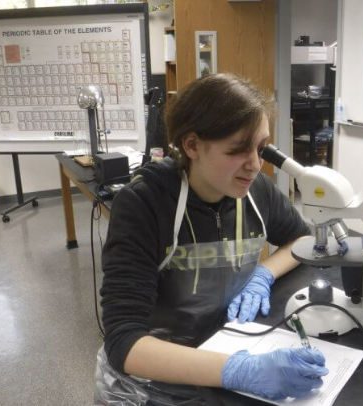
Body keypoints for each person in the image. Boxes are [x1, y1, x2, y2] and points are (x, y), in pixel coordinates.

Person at [93, 73, 329, 405]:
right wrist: (240, 370)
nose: (255, 165)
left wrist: (264, 273)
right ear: (192, 146)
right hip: (151, 382)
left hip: (224, 347)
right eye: (238, 150)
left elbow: (300, 240)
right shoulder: (144, 204)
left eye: (261, 148)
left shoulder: (257, 191)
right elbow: (125, 343)